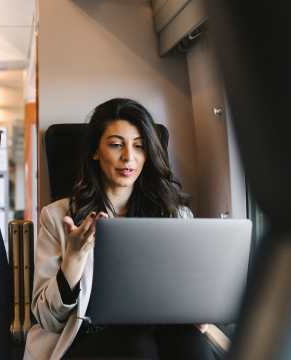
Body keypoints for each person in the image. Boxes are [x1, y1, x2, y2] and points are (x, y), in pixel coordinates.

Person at [23, 98, 215, 360]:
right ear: (95, 150)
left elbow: (194, 308)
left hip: (158, 334)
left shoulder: (176, 216)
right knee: (135, 344)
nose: (128, 157)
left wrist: (199, 309)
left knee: (192, 343)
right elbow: (48, 320)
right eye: (116, 145)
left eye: (139, 146)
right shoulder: (57, 217)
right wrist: (75, 257)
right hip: (84, 342)